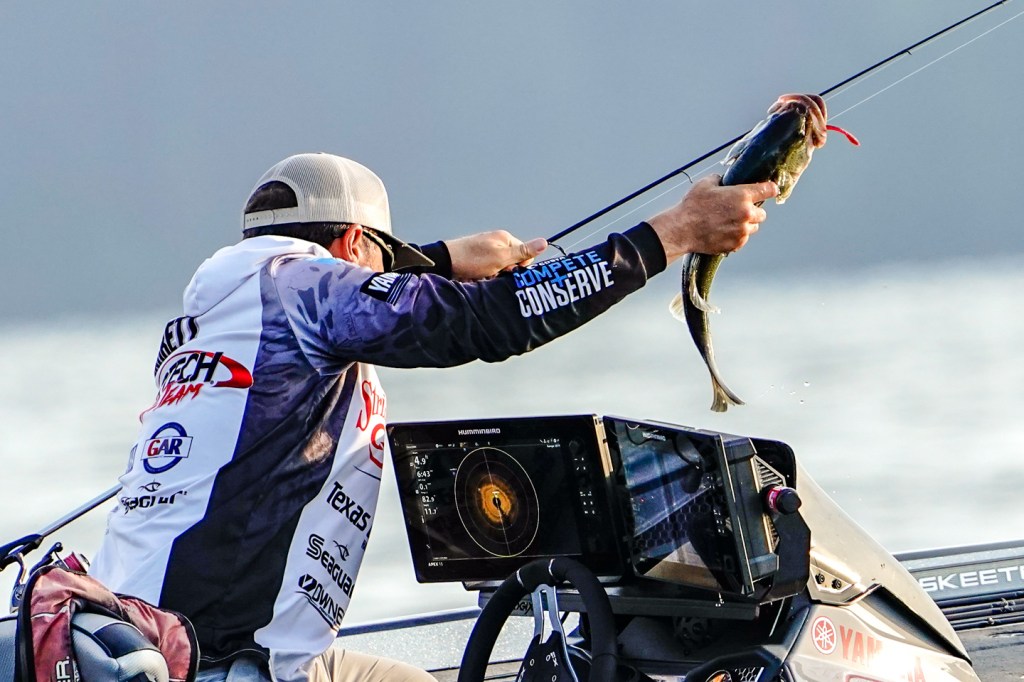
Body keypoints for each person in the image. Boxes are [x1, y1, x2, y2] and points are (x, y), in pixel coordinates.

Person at [89, 152, 777, 682]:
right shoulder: (298, 284)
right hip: (213, 661)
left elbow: (364, 301)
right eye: (382, 261)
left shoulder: (223, 307)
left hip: (141, 638)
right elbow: (486, 321)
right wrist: (676, 232)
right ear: (352, 245)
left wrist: (438, 261)